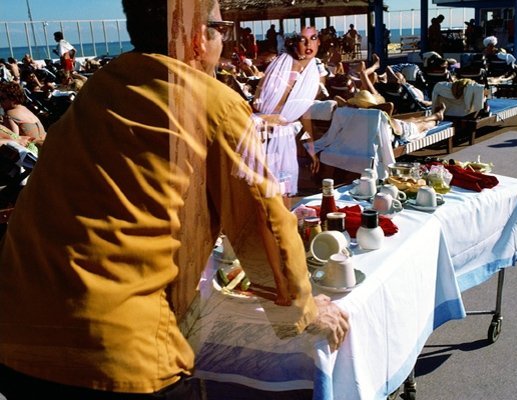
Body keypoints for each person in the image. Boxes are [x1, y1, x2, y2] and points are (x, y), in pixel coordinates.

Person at [0, 0, 349, 398]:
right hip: (112, 352)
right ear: (199, 38)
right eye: (221, 27)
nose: (224, 38)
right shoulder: (214, 103)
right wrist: (300, 312)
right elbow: (261, 222)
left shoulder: (100, 86)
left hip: (17, 336)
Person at [251, 26, 328, 198]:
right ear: (294, 43)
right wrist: (267, 121)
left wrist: (311, 148)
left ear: (319, 42)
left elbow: (304, 114)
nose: (309, 44)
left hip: (285, 139)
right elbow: (257, 104)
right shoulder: (283, 65)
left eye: (313, 38)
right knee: (263, 193)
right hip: (263, 134)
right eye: (302, 40)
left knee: (283, 190)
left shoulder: (313, 73)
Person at [0, 81, 46, 146]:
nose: (0, 102)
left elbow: (14, 138)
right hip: (46, 144)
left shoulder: (9, 114)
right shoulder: (24, 108)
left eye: (2, 99)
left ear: (13, 99)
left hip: (35, 150)